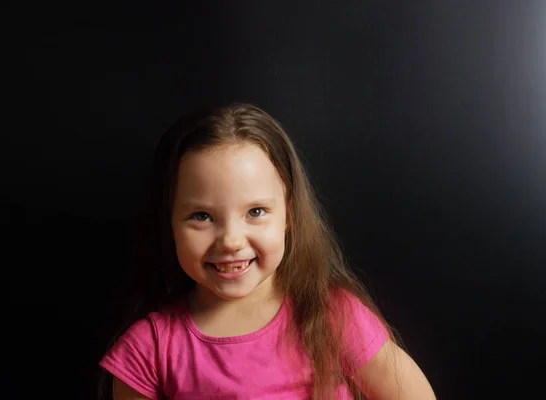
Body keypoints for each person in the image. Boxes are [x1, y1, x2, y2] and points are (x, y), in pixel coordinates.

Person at [99, 103, 436, 399]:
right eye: (201, 216)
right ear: (169, 222)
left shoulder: (331, 315)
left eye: (256, 212)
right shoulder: (148, 350)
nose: (231, 240)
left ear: (288, 215)